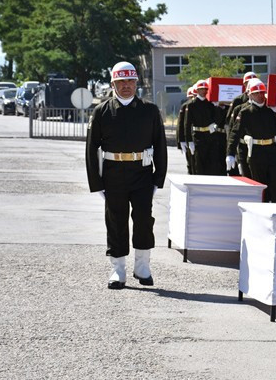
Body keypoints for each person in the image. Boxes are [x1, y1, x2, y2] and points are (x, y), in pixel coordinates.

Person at [86, 61, 168, 289]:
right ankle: (117, 269)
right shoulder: (102, 112)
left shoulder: (149, 111)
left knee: (144, 220)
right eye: (121, 81)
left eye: (130, 81)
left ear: (136, 83)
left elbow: (160, 145)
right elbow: (91, 148)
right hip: (113, 175)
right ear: (113, 84)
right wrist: (96, 183)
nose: (126, 85)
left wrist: (158, 179)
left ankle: (142, 267)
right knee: (116, 221)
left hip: (142, 174)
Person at [226, 78, 276, 202]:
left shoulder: (272, 109)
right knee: (260, 187)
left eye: (262, 92)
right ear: (250, 95)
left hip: (273, 151)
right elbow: (235, 132)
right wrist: (230, 153)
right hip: (256, 152)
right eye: (256, 93)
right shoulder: (245, 112)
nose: (260, 95)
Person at [184, 80, 226, 175]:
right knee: (199, 165)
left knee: (211, 164)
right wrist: (189, 141)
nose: (204, 91)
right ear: (197, 90)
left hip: (210, 137)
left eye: (205, 89)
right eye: (201, 89)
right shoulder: (191, 105)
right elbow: (187, 124)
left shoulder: (210, 104)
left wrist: (218, 108)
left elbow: (218, 119)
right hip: (198, 137)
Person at [177, 86, 196, 174]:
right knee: (190, 162)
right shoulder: (185, 106)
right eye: (191, 97)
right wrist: (181, 141)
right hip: (188, 137)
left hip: (195, 137)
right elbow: (181, 125)